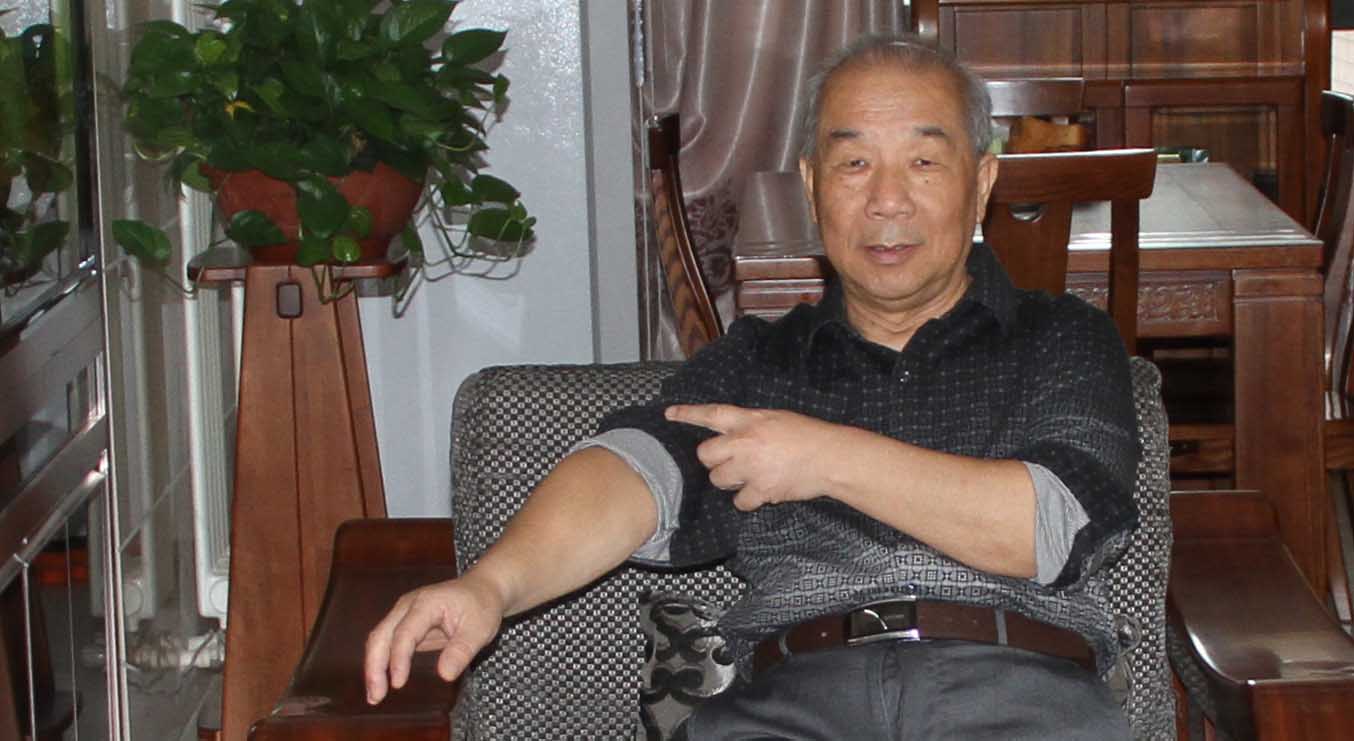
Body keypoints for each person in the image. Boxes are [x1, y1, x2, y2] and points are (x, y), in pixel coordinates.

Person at [365, 33, 1138, 739]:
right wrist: (491, 585)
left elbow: (1051, 529)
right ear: (811, 185)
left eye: (923, 162)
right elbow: (632, 472)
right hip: (795, 700)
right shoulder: (759, 361)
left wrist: (820, 457)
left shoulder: (1061, 336)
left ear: (982, 182)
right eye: (853, 163)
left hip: (1019, 694)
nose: (886, 199)